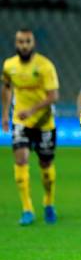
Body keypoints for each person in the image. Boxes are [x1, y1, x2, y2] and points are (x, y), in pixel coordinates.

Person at [1, 29, 60, 225]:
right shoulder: (9, 66)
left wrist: (32, 110)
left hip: (44, 123)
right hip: (21, 121)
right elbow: (7, 88)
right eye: (20, 41)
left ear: (33, 43)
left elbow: (53, 96)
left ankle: (49, 202)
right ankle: (27, 209)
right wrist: (5, 115)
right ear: (16, 43)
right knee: (21, 158)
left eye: (27, 41)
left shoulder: (45, 66)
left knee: (46, 166)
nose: (23, 45)